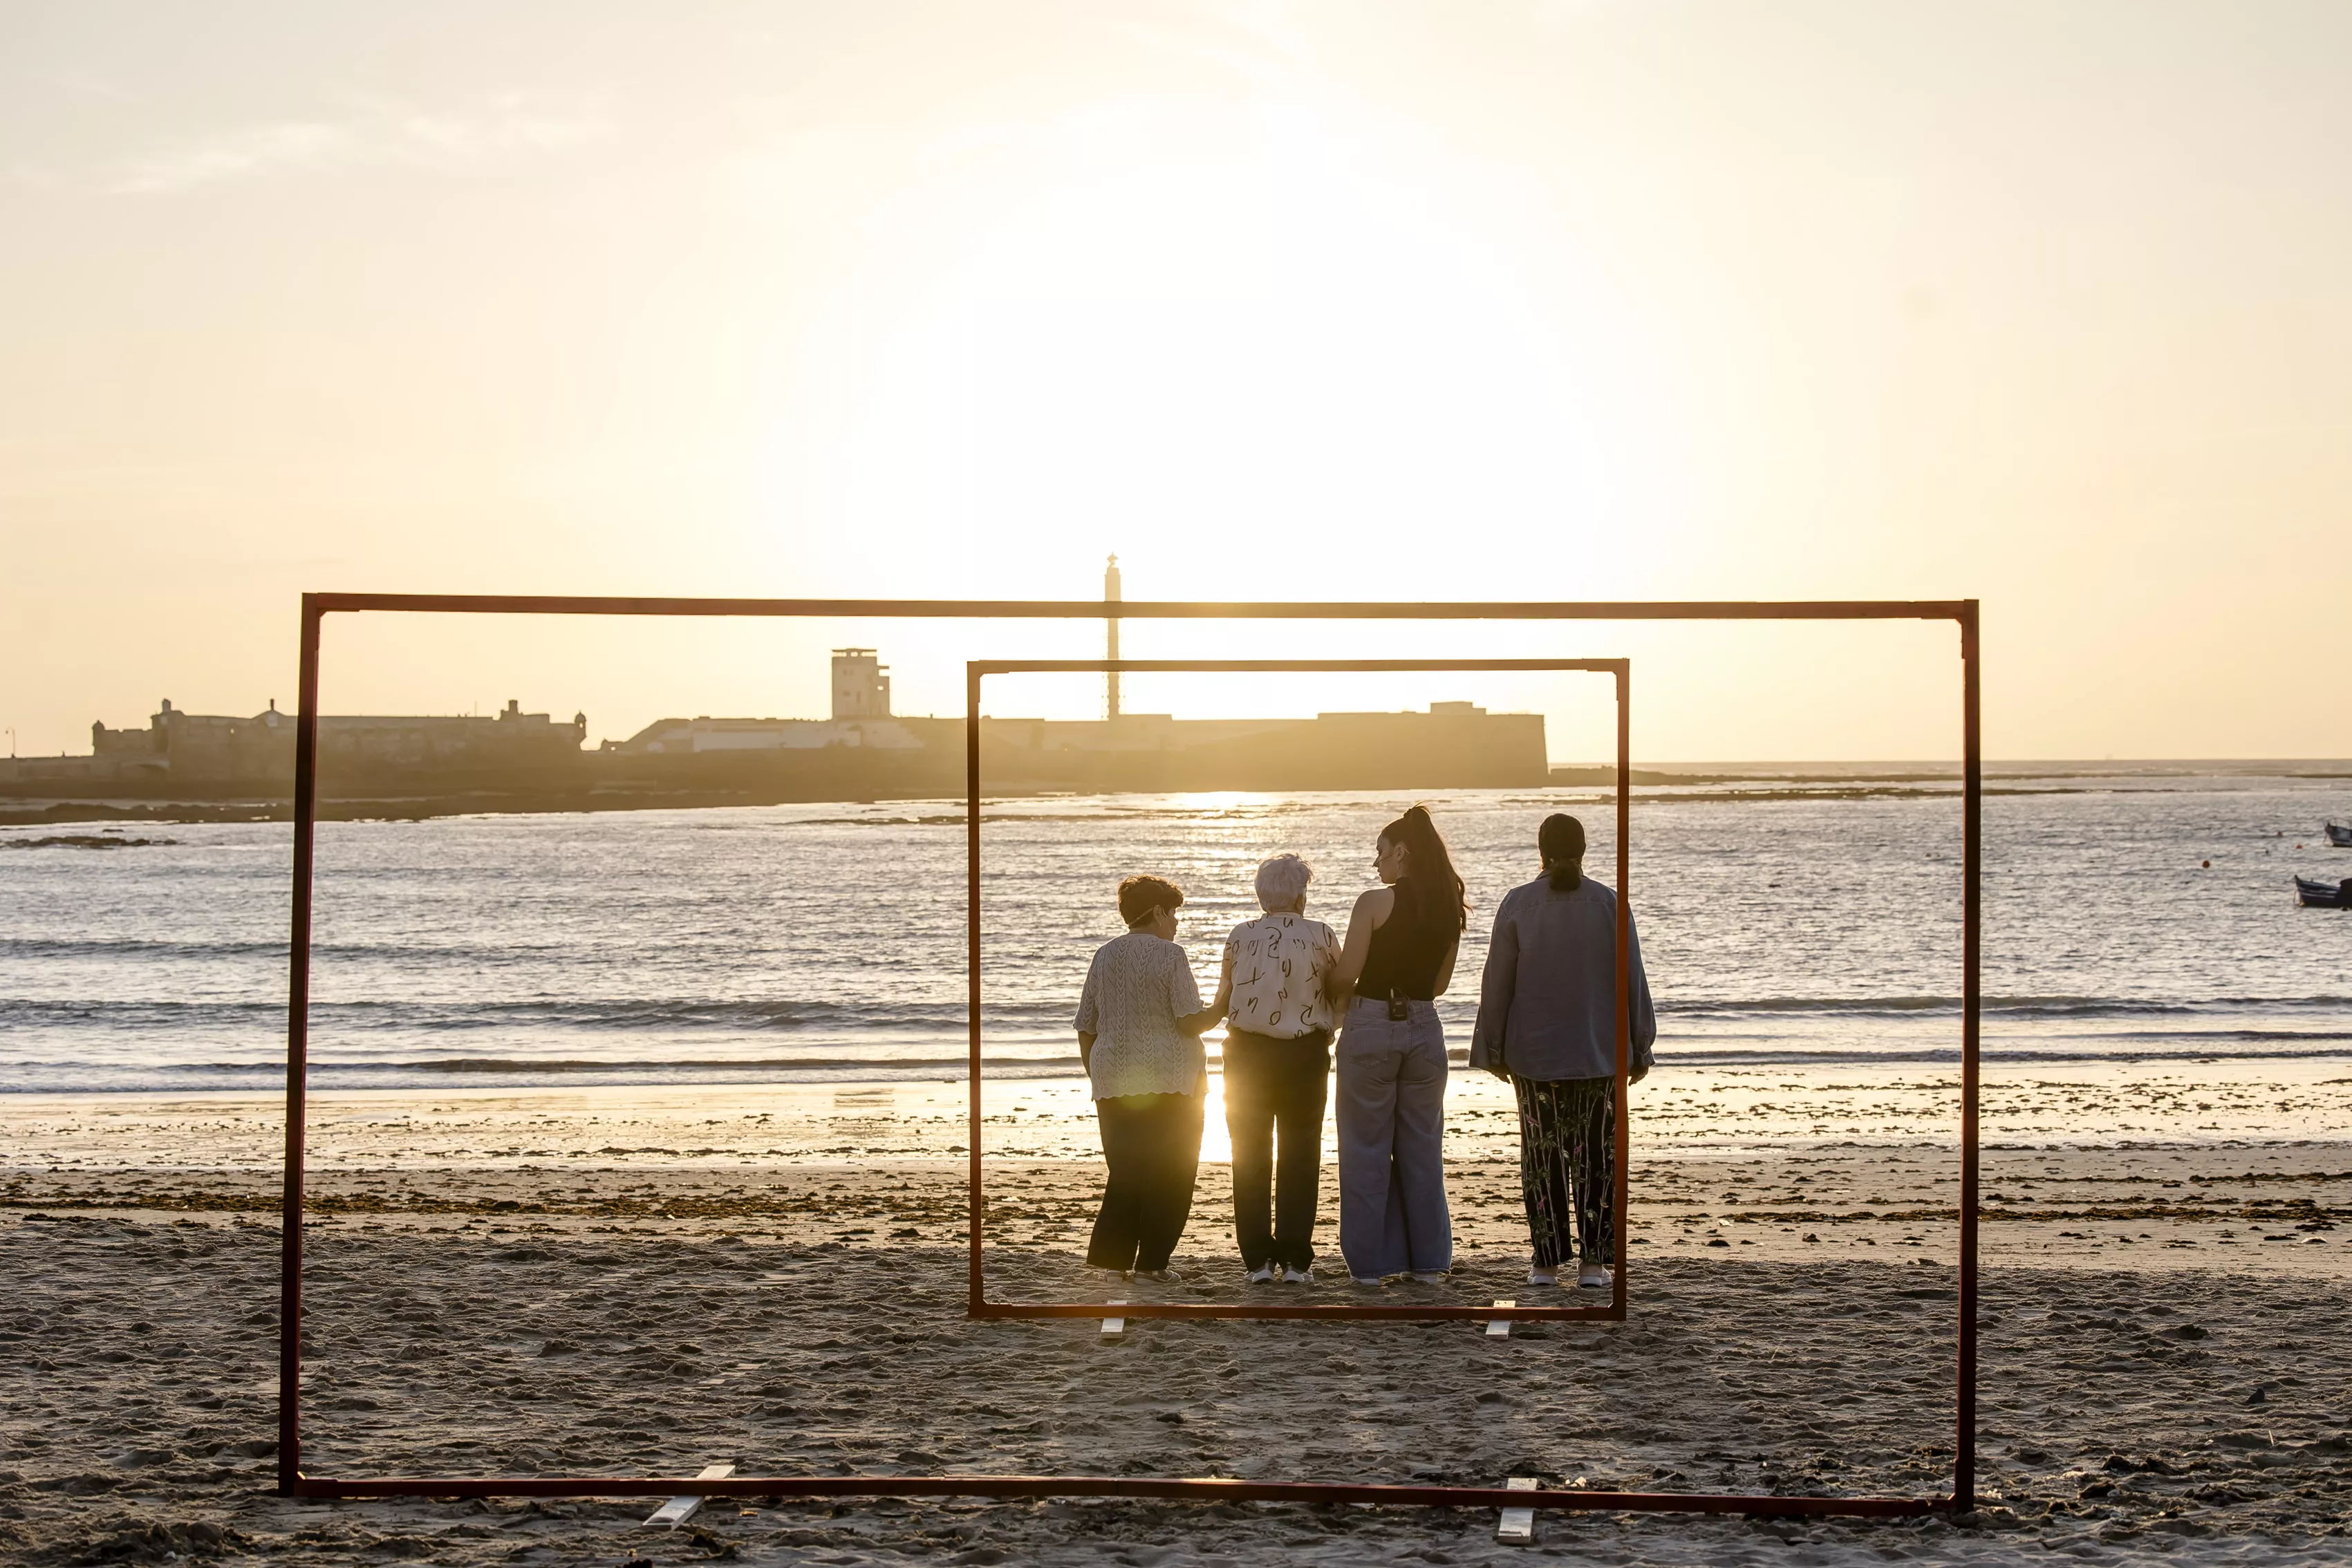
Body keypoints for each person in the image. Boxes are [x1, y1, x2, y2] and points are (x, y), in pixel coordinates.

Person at [1469, 813, 1656, 1290]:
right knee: (1596, 1156)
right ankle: (1594, 1265)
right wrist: (1640, 1046)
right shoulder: (1610, 904)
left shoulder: (1518, 904)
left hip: (1535, 1056)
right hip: (1598, 1052)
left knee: (1543, 1157)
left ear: (1541, 852)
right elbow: (1632, 978)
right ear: (1584, 850)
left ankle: (1546, 1264)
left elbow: (1498, 983)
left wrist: (1491, 1047)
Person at [1325, 805, 1466, 1285]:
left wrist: (1325, 978)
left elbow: (1348, 974)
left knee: (1366, 1148)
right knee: (1422, 1148)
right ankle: (1428, 1265)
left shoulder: (1374, 903)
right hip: (1425, 1028)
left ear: (1401, 853)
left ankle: (1369, 1267)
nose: (1377, 865)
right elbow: (1441, 985)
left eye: (1380, 854)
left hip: (1371, 1025)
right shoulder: (1450, 907)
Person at [1074, 874, 1222, 1280]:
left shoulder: (1103, 955)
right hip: (1174, 1082)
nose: (1176, 923)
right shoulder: (1171, 956)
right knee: (1173, 1172)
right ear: (1157, 912)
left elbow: (1086, 1025)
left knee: (1126, 1171)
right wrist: (1224, 998)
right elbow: (1191, 1022)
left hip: (1112, 1080)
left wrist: (1098, 1073)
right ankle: (1152, 1265)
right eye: (1173, 914)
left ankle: (1111, 1262)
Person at [1206, 853, 1340, 1285]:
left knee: (1249, 1154)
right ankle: (1296, 1262)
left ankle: (1258, 1261)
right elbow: (1338, 995)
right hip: (1303, 1055)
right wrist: (1330, 1028)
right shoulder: (1321, 934)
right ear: (1301, 894)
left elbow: (1224, 998)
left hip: (1246, 1054)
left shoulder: (1240, 935)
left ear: (1262, 894)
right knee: (1301, 1154)